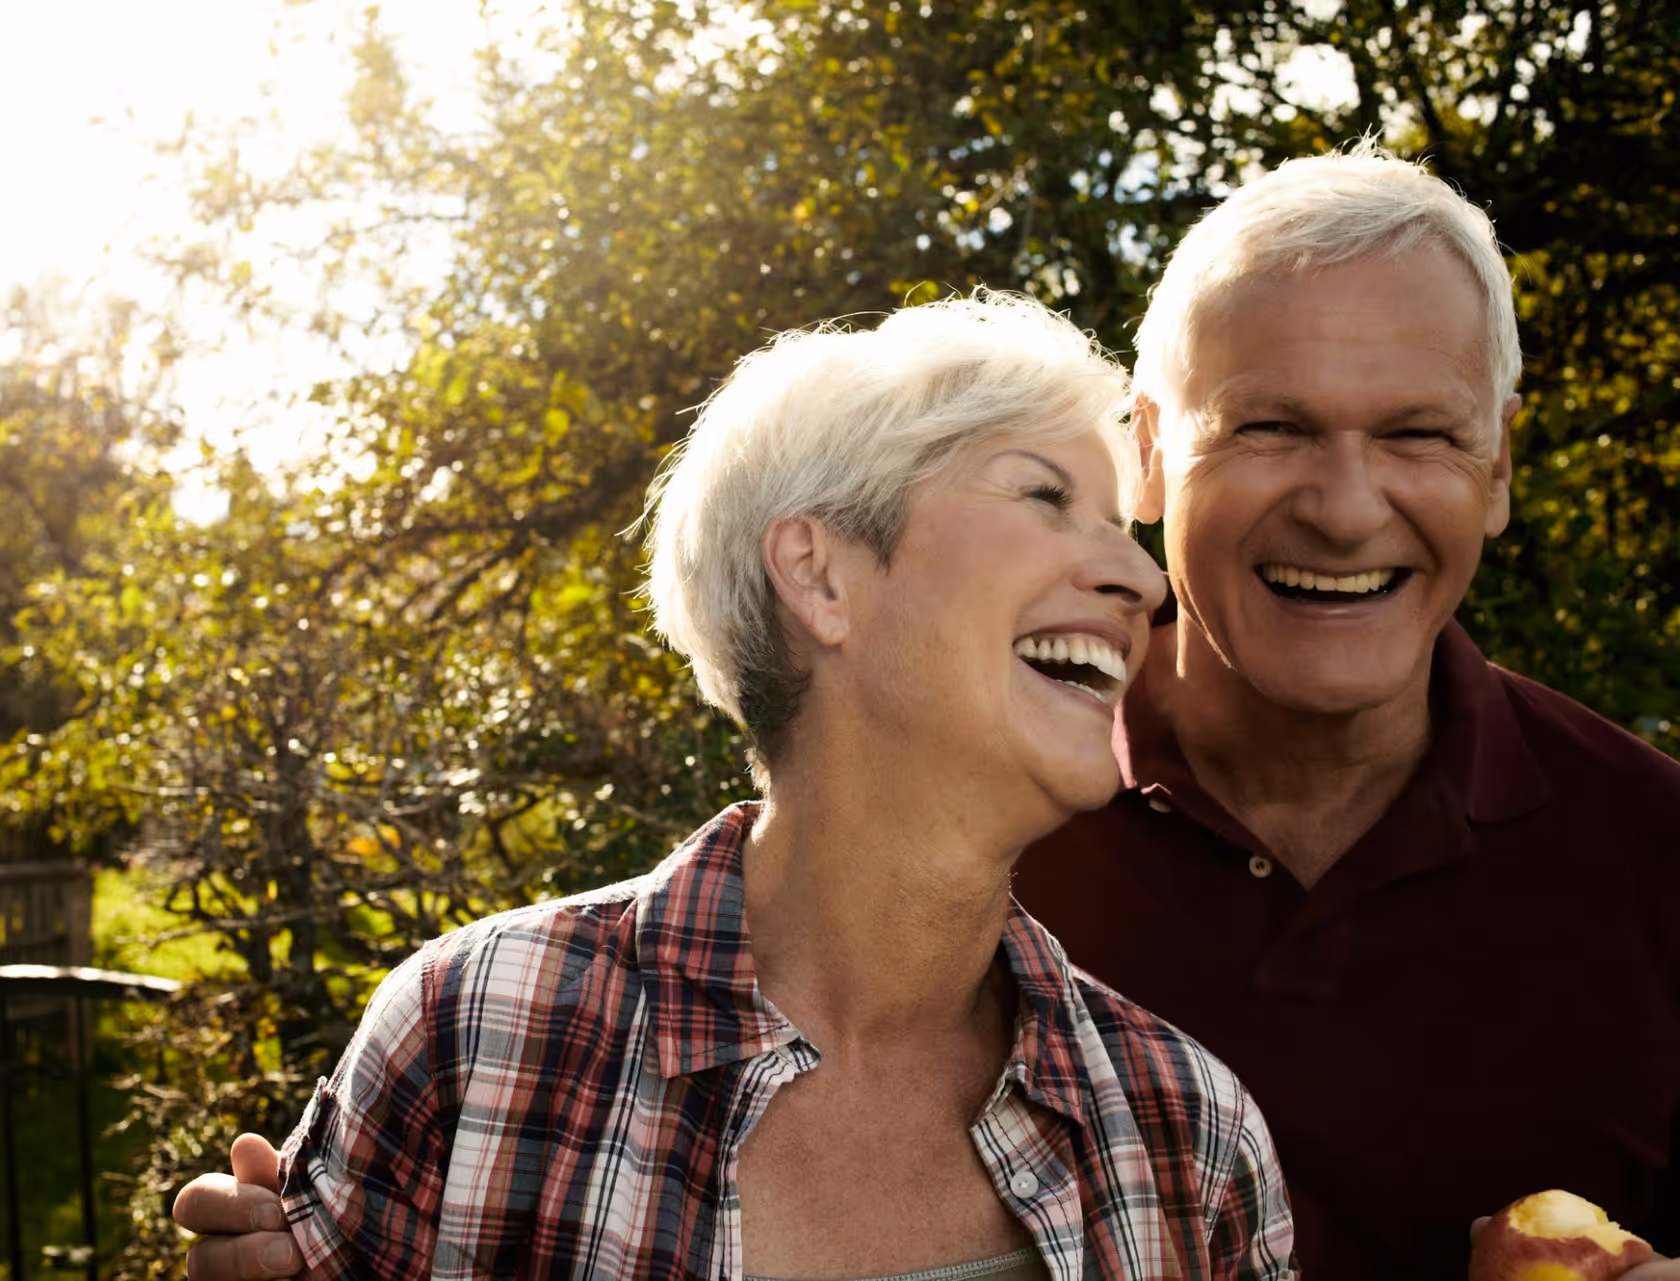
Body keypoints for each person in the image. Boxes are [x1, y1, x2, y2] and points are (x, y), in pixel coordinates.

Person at [175, 293, 1297, 1280]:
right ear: (821, 575)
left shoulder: (1187, 1133)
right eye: (1045, 496)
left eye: (1119, 530)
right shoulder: (481, 1036)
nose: (1142, 579)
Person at [1010, 142, 1680, 1280]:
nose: (1346, 510)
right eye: (1271, 428)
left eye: (1418, 434)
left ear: (1500, 466)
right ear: (1152, 457)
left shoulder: (1658, 854)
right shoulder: (978, 819)